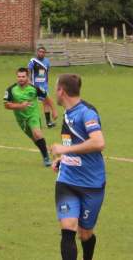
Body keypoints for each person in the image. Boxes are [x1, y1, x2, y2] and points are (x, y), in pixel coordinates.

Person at [49, 73, 105, 260]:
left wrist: (66, 150)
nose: (54, 92)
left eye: (55, 88)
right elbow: (73, 144)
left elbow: (98, 143)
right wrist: (64, 158)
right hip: (67, 181)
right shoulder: (67, 113)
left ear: (61, 91)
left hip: (92, 184)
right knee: (68, 228)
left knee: (85, 233)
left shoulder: (87, 113)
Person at [2, 67, 51, 166]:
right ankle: (45, 153)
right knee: (35, 139)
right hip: (21, 119)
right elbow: (6, 105)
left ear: (27, 77)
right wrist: (20, 106)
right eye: (19, 76)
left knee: (37, 134)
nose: (21, 78)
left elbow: (46, 97)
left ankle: (46, 158)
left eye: (23, 76)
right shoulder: (11, 89)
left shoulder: (34, 88)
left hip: (33, 115)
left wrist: (53, 111)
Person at [28, 46, 58, 128]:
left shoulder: (47, 62)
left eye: (43, 52)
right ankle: (32, 121)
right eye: (39, 51)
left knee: (46, 103)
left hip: (44, 85)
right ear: (37, 52)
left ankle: (48, 123)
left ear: (45, 53)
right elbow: (29, 71)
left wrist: (46, 82)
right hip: (35, 85)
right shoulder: (33, 61)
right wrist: (29, 81)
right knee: (32, 103)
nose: (41, 53)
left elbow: (46, 73)